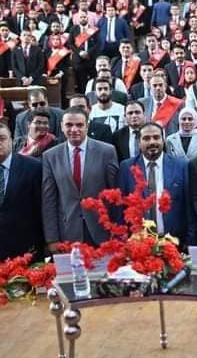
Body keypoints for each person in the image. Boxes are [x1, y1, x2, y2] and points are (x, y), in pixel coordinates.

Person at [42, 106, 119, 249]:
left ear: (87, 126)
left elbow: (115, 195)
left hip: (102, 231)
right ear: (62, 127)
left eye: (79, 125)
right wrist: (52, 239)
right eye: (69, 125)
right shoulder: (50, 156)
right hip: (67, 232)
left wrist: (117, 232)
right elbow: (49, 200)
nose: (74, 129)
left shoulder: (107, 151)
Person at [118, 122, 196, 247]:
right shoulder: (127, 167)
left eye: (156, 137)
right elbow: (121, 208)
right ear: (139, 143)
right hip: (138, 245)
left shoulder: (181, 166)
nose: (152, 142)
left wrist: (189, 244)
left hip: (175, 244)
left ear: (163, 140)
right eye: (146, 138)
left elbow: (189, 208)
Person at [0, 123, 44, 260]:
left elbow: (42, 207)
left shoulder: (33, 167)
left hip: (24, 249)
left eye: (2, 138)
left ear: (12, 141)